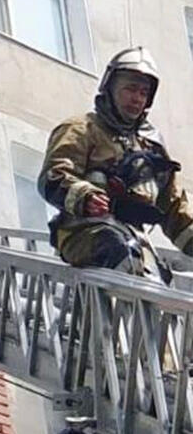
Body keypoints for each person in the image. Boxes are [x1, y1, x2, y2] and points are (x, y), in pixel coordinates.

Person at [39, 47, 193, 277]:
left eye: (143, 92)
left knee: (158, 279)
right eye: (130, 88)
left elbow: (173, 209)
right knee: (120, 253)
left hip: (134, 240)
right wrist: (86, 196)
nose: (137, 98)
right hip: (84, 232)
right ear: (110, 87)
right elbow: (53, 176)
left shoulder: (151, 147)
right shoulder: (82, 129)